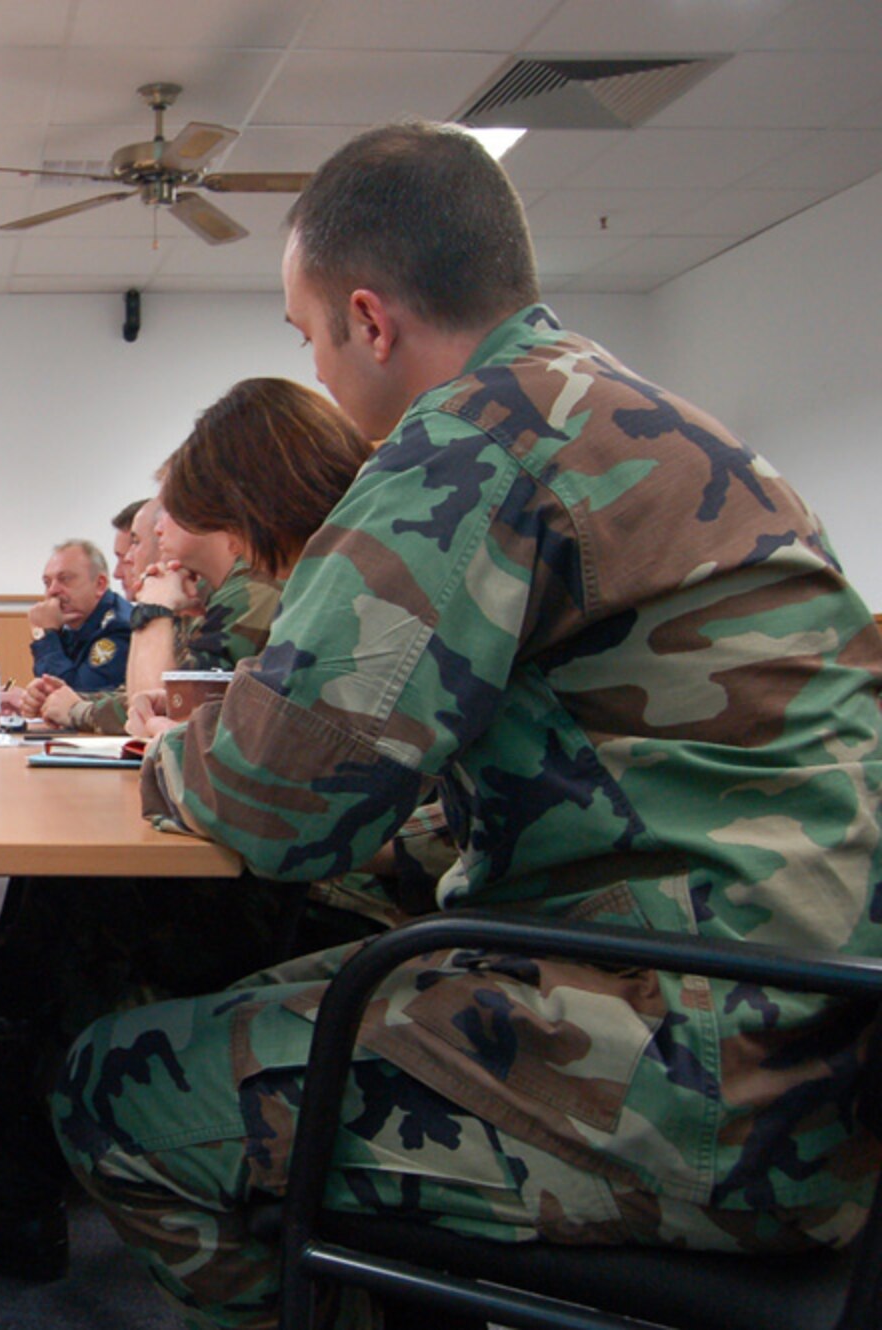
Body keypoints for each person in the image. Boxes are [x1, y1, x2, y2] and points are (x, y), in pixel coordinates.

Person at [55, 121, 882, 1330]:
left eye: (310, 339)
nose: (324, 377)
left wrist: (171, 758)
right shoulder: (644, 419)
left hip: (688, 1074)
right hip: (805, 1045)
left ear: (369, 319)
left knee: (109, 1088)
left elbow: (281, 804)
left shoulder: (470, 447)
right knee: (268, 983)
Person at [0, 378, 381, 1285]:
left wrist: (152, 615)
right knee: (86, 894)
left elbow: (159, 730)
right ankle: (8, 1066)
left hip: (331, 898)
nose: (158, 541)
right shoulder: (307, 591)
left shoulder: (277, 598)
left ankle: (19, 1101)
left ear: (236, 507)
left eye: (171, 519)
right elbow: (174, 736)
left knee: (98, 909)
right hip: (329, 873)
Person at [24, 539, 131, 693]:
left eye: (65, 579)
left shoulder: (118, 628)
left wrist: (44, 635)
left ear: (100, 584)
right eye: (47, 583)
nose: (52, 591)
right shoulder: (72, 626)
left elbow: (75, 698)